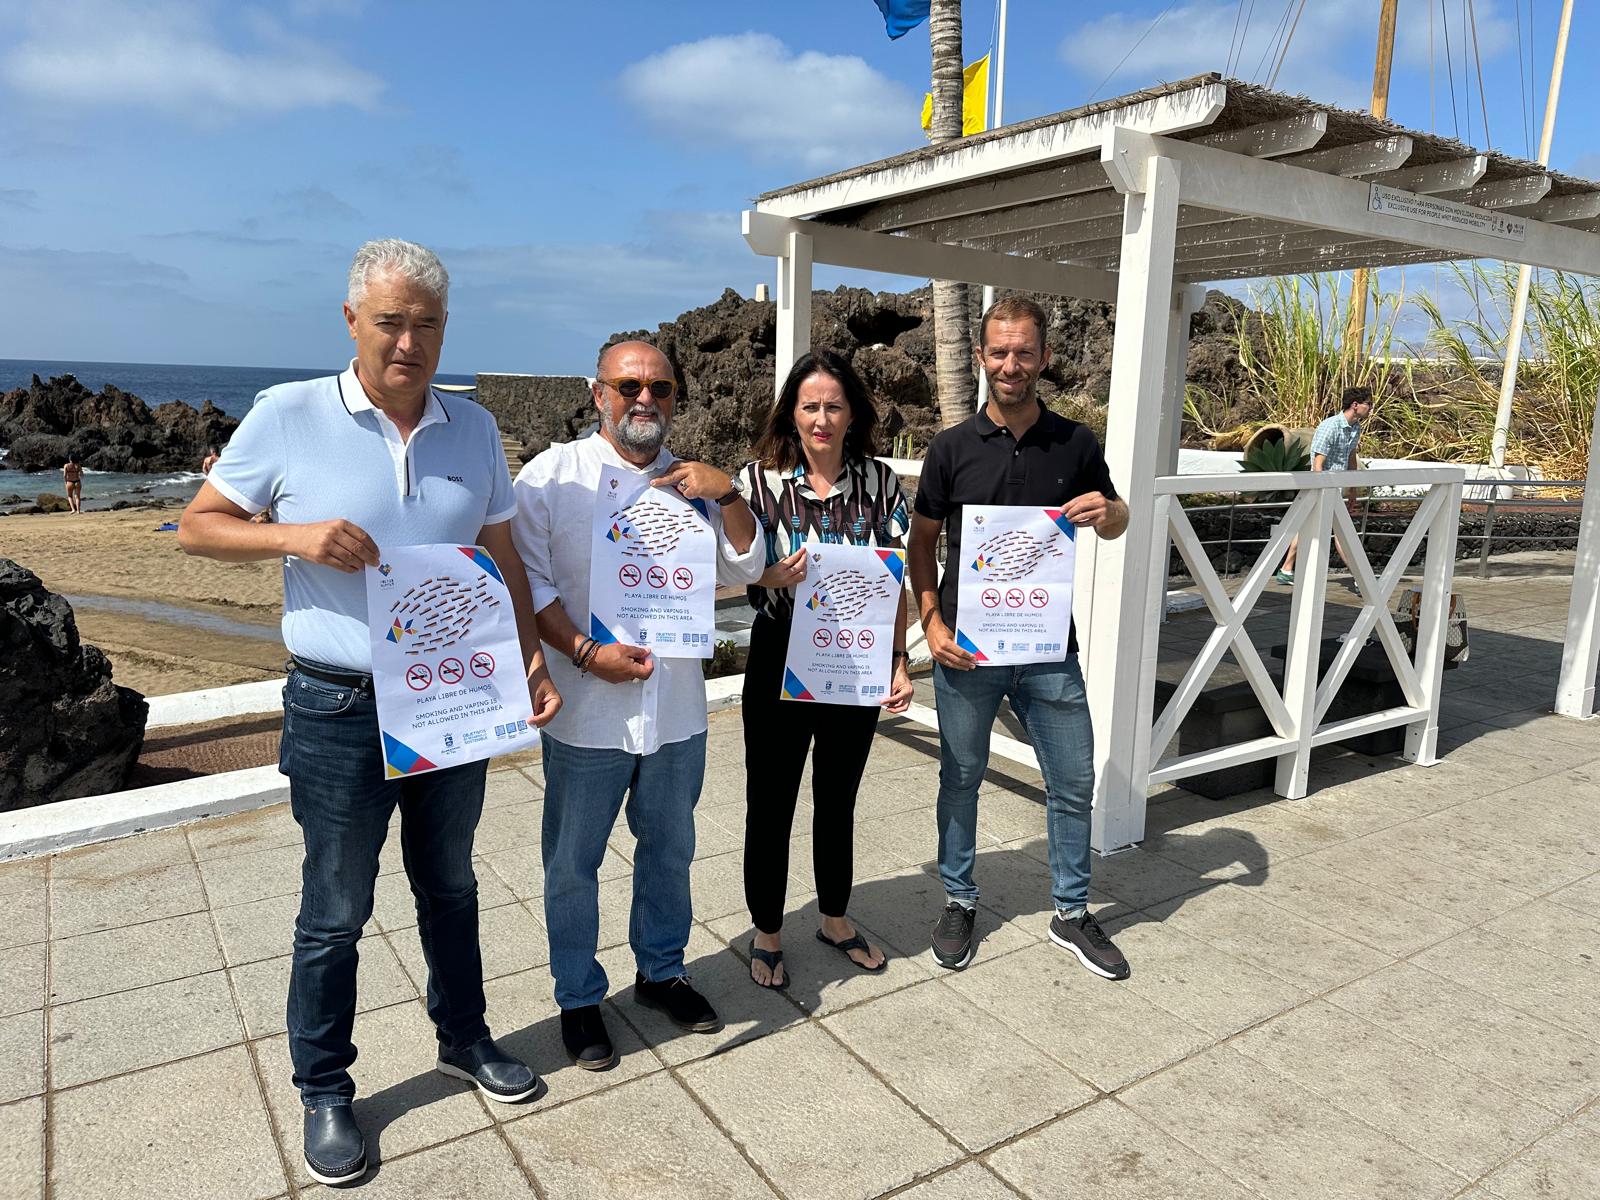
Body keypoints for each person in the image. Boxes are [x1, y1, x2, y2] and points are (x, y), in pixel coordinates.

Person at [177, 239, 561, 1187]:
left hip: (451, 702)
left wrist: (530, 654)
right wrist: (294, 535)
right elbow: (196, 526)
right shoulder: (288, 413)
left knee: (452, 886)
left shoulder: (473, 428)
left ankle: (463, 1040)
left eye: (427, 324)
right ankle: (324, 1087)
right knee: (337, 907)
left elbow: (502, 554)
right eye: (390, 322)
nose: (409, 342)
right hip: (337, 703)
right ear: (352, 321)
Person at [511, 339, 762, 1069]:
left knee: (670, 850)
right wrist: (587, 654)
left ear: (677, 398)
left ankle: (661, 972)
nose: (644, 399)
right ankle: (579, 997)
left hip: (678, 711)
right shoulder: (549, 478)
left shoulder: (694, 486)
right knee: (572, 863)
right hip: (587, 711)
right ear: (599, 394)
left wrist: (731, 494)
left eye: (660, 388)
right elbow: (528, 587)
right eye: (628, 386)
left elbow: (744, 566)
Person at [907, 296, 1131, 979]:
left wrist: (1111, 511)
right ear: (981, 358)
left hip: (1046, 650)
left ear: (1045, 358)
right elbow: (921, 546)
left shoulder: (1076, 443)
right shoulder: (949, 448)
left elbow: (1117, 520)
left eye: (1024, 352)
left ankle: (1071, 911)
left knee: (1072, 779)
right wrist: (931, 622)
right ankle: (959, 898)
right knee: (962, 778)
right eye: (999, 352)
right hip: (967, 652)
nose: (1011, 364)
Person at [734, 352, 914, 989]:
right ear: (792, 411)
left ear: (852, 413)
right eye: (809, 406)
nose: (821, 418)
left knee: (838, 797)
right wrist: (766, 574)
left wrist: (899, 658)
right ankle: (768, 930)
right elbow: (728, 569)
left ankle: (834, 917)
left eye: (833, 406)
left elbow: (898, 582)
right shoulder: (757, 481)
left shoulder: (881, 482)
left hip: (854, 657)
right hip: (779, 649)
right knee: (772, 798)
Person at [1275, 386, 1372, 585]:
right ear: (1355, 405)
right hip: (1324, 488)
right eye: (1368, 404)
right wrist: (1320, 491)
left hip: (1338, 487)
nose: (1371, 408)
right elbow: (1318, 462)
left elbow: (1351, 457)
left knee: (1309, 528)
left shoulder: (1355, 428)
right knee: (1342, 534)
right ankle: (1360, 578)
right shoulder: (1330, 427)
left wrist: (1352, 489)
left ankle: (1286, 568)